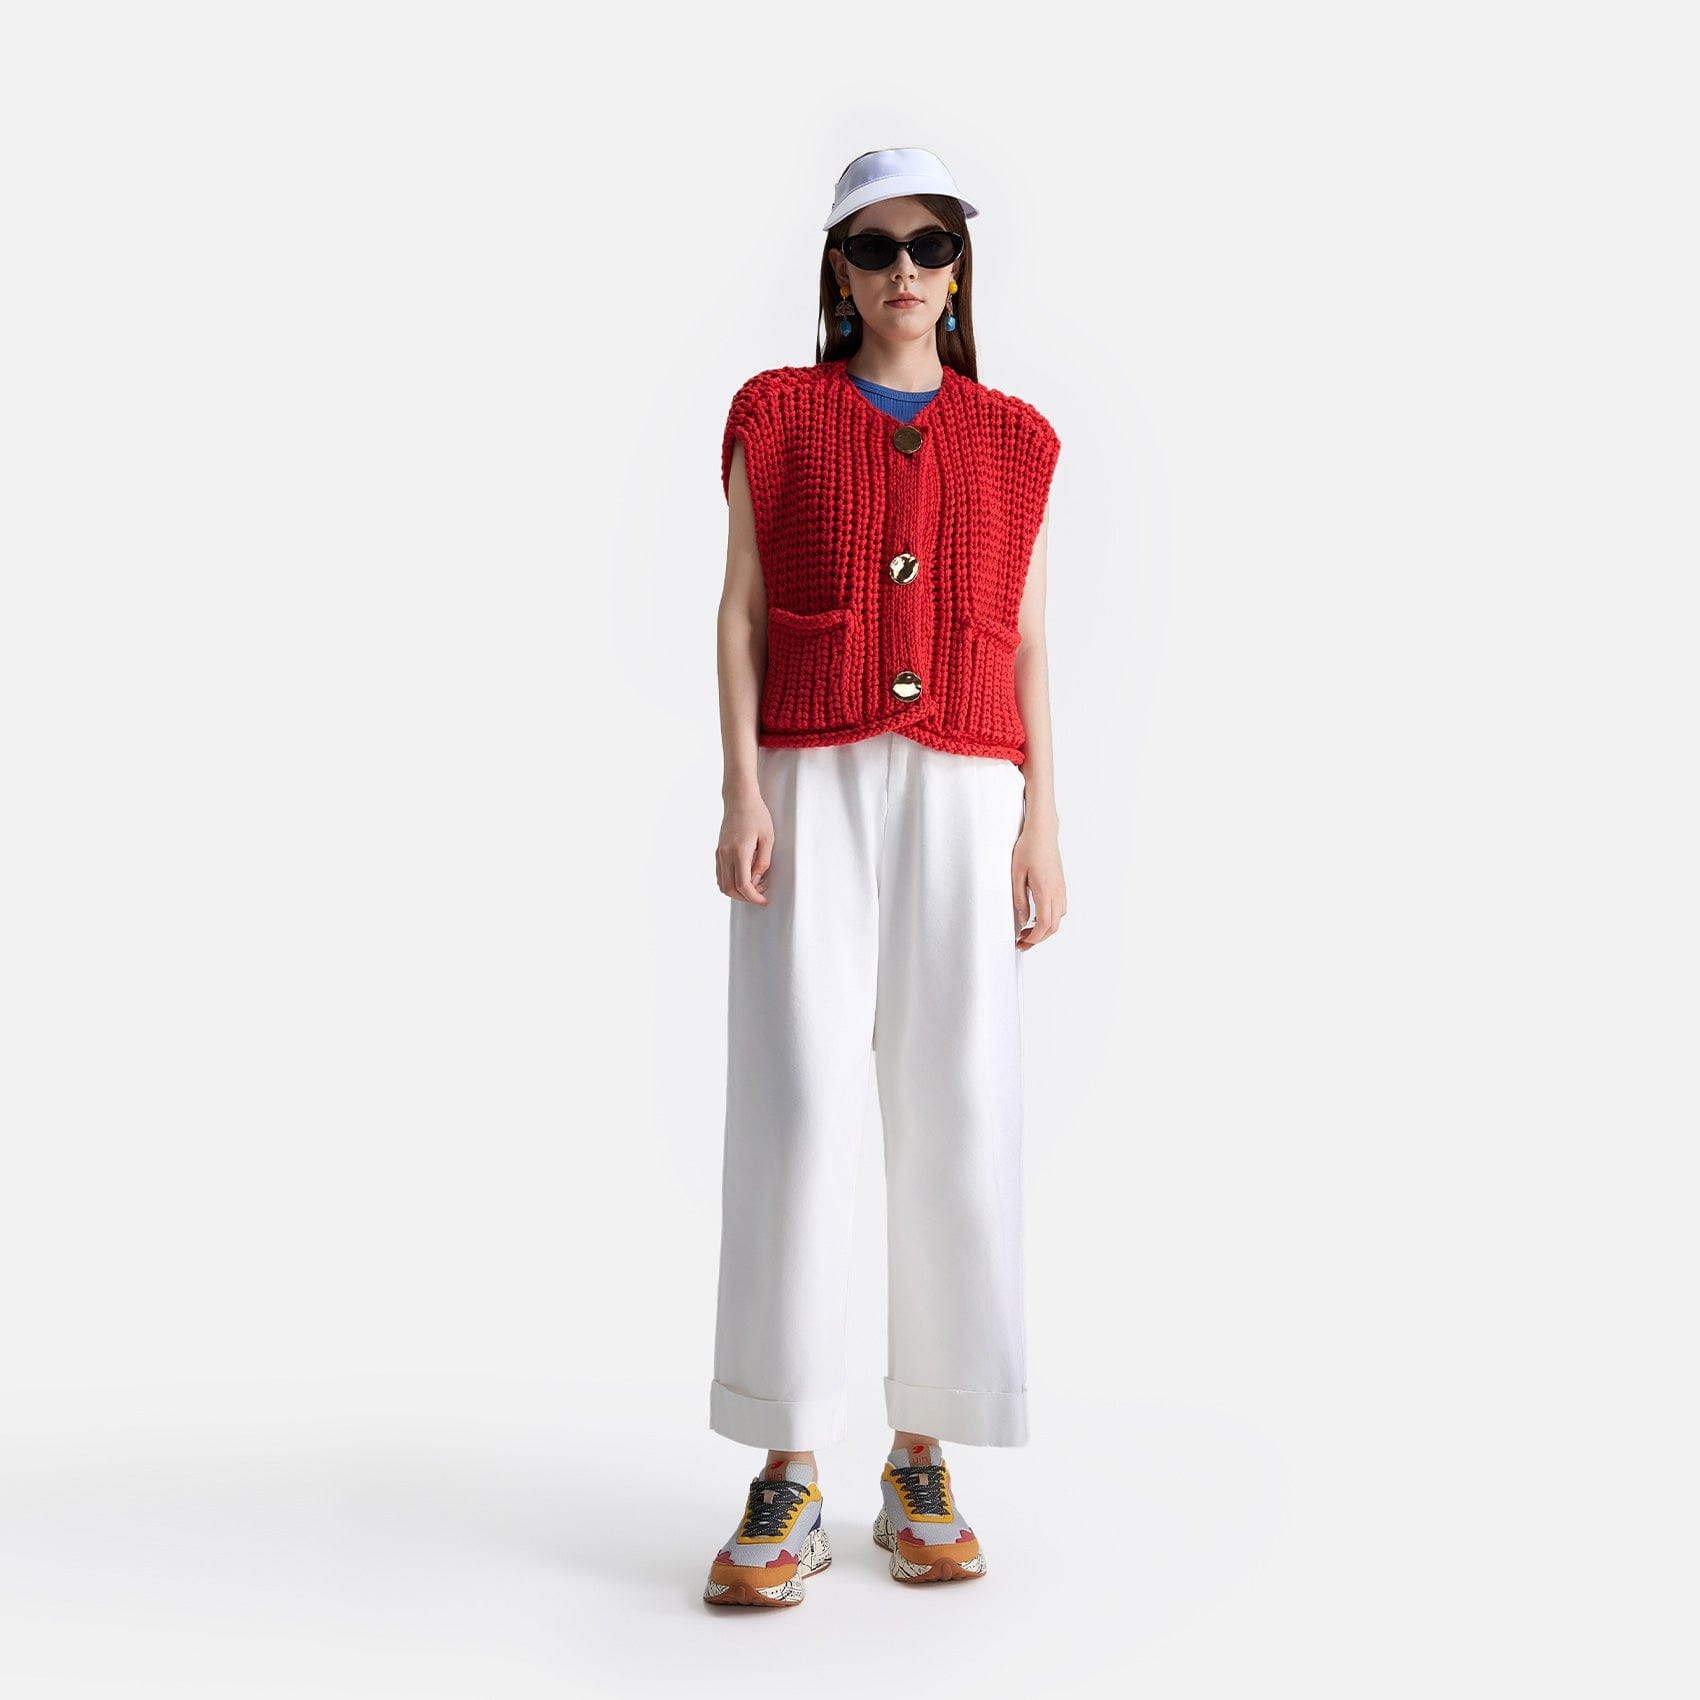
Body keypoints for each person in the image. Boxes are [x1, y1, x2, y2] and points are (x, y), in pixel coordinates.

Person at [703, 147, 1067, 1608]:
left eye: (928, 244)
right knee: (796, 1103)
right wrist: (740, 785)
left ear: (959, 270)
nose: (903, 269)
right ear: (839, 272)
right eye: (874, 247)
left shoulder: (1018, 441)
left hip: (969, 784)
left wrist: (1045, 822)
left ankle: (925, 1451)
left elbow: (1030, 640)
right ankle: (786, 1463)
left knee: (958, 1100)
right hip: (810, 775)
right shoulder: (777, 414)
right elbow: (738, 612)